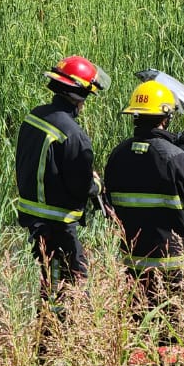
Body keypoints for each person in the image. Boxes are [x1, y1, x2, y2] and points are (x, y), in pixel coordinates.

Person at [104, 80, 184, 338]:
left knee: (140, 328)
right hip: (172, 263)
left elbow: (110, 203)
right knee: (173, 330)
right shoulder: (175, 157)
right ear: (165, 118)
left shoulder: (117, 156)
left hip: (134, 261)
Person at [15, 55, 110, 322]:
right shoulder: (75, 135)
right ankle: (57, 343)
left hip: (33, 217)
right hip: (58, 224)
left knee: (50, 282)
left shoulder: (33, 117)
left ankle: (48, 339)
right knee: (74, 286)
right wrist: (96, 184)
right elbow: (82, 187)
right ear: (80, 94)